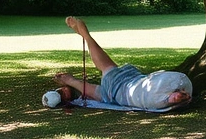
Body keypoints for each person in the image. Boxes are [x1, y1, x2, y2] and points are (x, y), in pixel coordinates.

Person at [52, 16, 192, 110]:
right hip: (133, 85)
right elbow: (90, 90)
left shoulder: (105, 94)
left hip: (133, 85)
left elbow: (90, 90)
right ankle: (86, 36)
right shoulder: (105, 94)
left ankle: (85, 36)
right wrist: (70, 80)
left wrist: (70, 81)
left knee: (107, 71)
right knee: (107, 70)